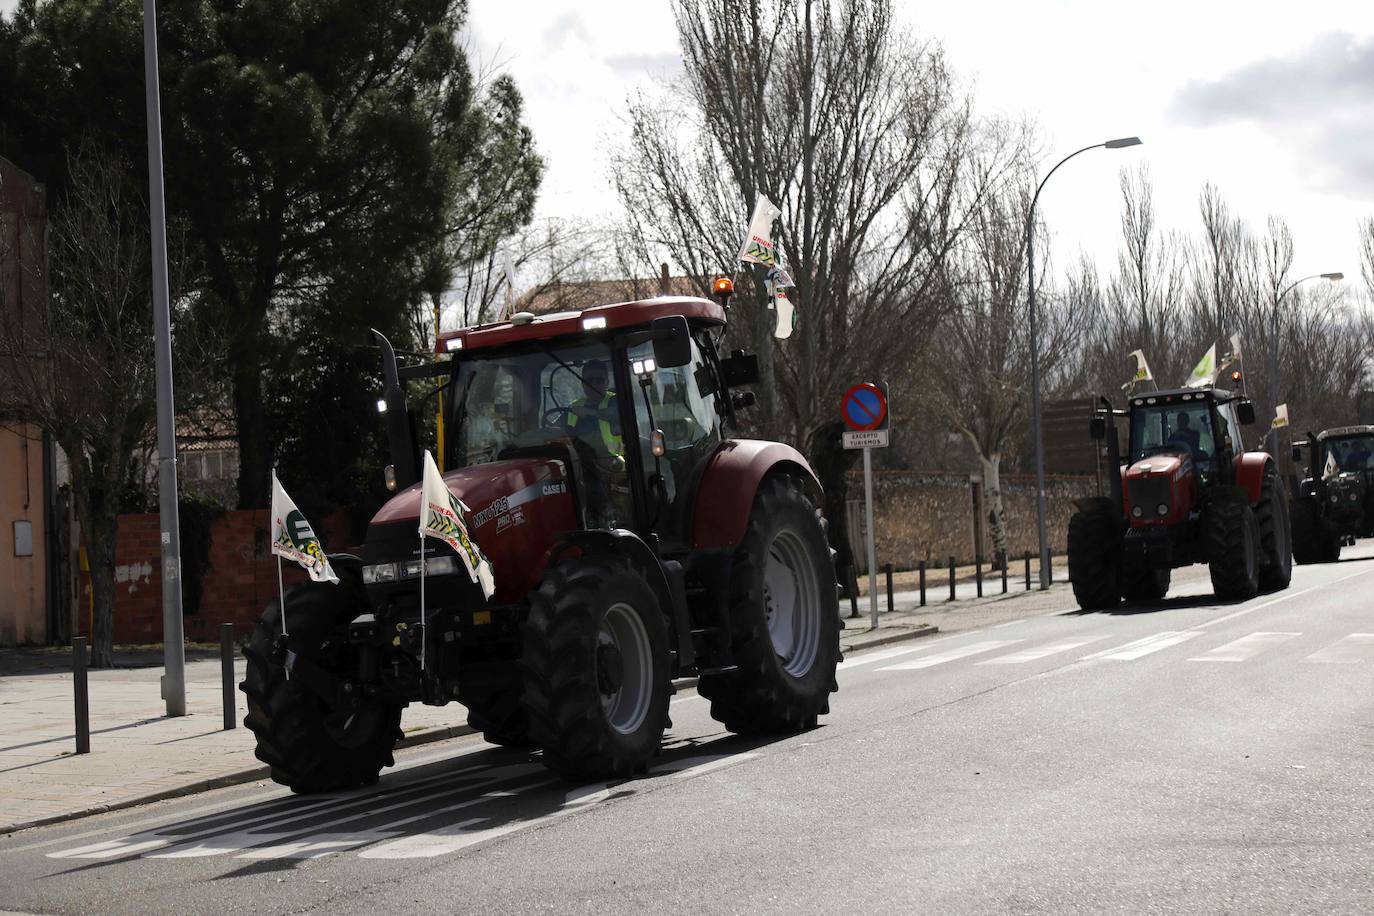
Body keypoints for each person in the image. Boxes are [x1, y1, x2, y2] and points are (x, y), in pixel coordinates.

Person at [566, 360, 622, 457]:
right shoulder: (573, 407)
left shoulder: (615, 400)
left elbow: (616, 415)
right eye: (589, 380)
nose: (594, 385)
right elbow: (556, 429)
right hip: (579, 464)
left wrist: (590, 412)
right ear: (582, 383)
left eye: (599, 380)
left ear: (607, 383)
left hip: (615, 464)